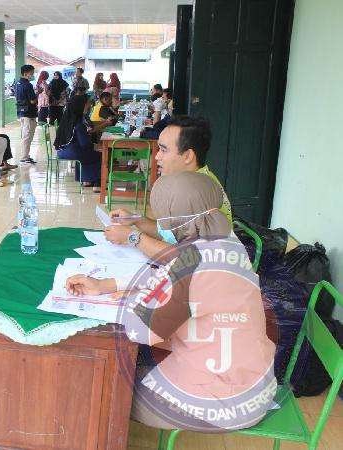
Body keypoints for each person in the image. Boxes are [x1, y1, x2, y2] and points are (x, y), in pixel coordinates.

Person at [66, 171, 275, 431]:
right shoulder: (226, 241)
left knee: (101, 387)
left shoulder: (195, 263)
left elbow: (142, 330)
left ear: (177, 221)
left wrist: (128, 300)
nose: (162, 227)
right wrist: (106, 285)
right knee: (130, 367)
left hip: (221, 401)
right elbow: (169, 275)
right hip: (252, 382)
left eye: (164, 219)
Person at [105, 116, 234, 261]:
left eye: (163, 150)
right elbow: (171, 235)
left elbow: (185, 258)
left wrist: (132, 237)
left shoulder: (193, 193)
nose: (157, 156)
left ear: (188, 156)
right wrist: (136, 220)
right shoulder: (194, 180)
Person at [54, 94, 102, 190]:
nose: (89, 106)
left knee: (87, 153)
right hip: (73, 153)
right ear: (80, 106)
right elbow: (85, 144)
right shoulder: (79, 124)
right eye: (87, 104)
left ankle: (86, 181)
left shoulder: (66, 120)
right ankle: (97, 184)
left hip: (61, 152)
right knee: (99, 155)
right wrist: (96, 146)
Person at [14, 64, 38, 165]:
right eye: (31, 73)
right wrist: (38, 94)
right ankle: (24, 157)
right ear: (25, 73)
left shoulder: (17, 83)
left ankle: (26, 156)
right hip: (29, 113)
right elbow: (32, 101)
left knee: (25, 135)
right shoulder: (28, 85)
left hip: (21, 112)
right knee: (27, 136)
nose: (32, 75)